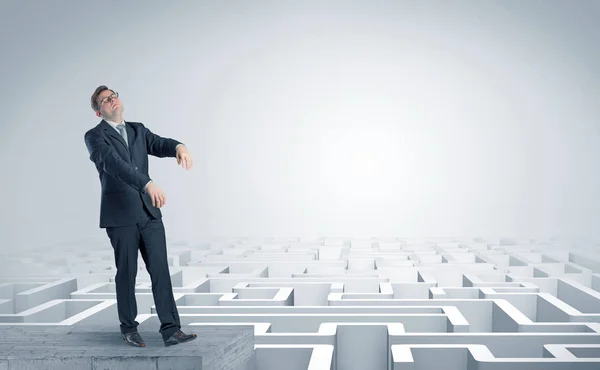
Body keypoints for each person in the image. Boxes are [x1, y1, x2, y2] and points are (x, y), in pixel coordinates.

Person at [84, 85, 197, 347]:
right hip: (120, 215)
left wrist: (179, 146)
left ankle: (171, 330)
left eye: (114, 96)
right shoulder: (94, 136)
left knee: (160, 270)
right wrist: (147, 183)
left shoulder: (138, 130)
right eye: (105, 100)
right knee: (127, 272)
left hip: (149, 213)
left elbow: (158, 143)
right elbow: (114, 164)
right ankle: (128, 328)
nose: (112, 100)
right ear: (99, 112)